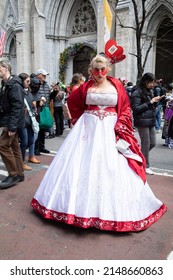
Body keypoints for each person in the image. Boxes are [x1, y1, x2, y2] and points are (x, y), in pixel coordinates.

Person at [31, 55, 166, 232]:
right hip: (87, 130)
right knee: (80, 163)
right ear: (91, 70)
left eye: (103, 69)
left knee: (111, 165)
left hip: (111, 130)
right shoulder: (86, 86)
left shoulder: (117, 85)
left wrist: (121, 125)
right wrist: (77, 119)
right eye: (96, 70)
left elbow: (125, 107)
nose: (100, 73)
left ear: (108, 69)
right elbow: (72, 102)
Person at [130, 73, 164, 175]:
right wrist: (150, 102)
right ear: (146, 81)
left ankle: (137, 156)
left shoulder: (150, 91)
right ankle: (145, 166)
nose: (153, 84)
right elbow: (135, 109)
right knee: (146, 143)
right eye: (151, 82)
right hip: (141, 120)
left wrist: (157, 101)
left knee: (152, 142)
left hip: (150, 119)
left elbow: (151, 105)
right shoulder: (136, 92)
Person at [0, 59, 25, 189]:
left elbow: (17, 106)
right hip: (10, 120)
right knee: (15, 147)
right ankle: (19, 174)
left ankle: (13, 174)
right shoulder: (5, 84)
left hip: (11, 121)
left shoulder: (14, 85)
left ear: (6, 68)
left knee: (2, 146)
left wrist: (12, 126)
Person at [34, 68, 51, 155]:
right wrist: (39, 100)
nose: (45, 77)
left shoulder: (47, 85)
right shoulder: (35, 84)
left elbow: (49, 96)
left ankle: (42, 146)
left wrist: (54, 93)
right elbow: (33, 94)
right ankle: (36, 148)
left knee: (43, 129)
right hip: (37, 108)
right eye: (43, 75)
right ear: (38, 75)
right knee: (37, 129)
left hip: (45, 108)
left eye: (45, 75)